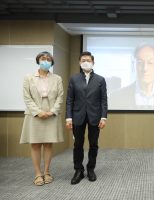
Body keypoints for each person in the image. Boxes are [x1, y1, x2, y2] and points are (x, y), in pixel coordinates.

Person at [20, 51, 64, 186]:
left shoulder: (57, 78)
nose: (45, 61)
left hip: (52, 114)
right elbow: (27, 97)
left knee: (48, 144)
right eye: (43, 58)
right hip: (34, 115)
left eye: (48, 59)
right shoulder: (28, 78)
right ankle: (38, 174)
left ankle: (47, 172)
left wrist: (52, 111)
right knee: (35, 144)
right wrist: (38, 112)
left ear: (52, 62)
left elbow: (60, 96)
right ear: (38, 60)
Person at [66, 51, 108, 185]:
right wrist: (68, 118)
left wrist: (103, 117)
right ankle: (78, 170)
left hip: (95, 117)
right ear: (79, 63)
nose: (86, 62)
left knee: (93, 144)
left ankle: (91, 169)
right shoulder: (74, 79)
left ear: (93, 62)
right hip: (77, 116)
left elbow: (103, 100)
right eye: (83, 60)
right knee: (77, 144)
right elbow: (69, 100)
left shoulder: (100, 80)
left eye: (88, 60)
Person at [109, 44, 154, 110]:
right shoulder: (115, 97)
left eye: (150, 63)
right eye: (140, 62)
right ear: (133, 66)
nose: (145, 68)